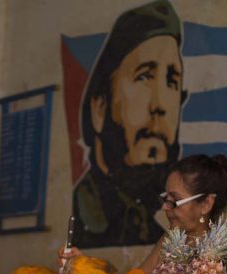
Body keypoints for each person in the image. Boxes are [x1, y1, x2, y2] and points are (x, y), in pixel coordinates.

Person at [73, 0, 186, 248]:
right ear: (99, 108)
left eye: (172, 81)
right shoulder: (83, 215)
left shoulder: (159, 228)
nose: (160, 105)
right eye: (144, 76)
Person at [61, 154, 227, 274]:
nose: (165, 207)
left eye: (175, 200)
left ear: (206, 204)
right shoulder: (169, 240)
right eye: (165, 198)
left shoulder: (224, 254)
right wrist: (86, 267)